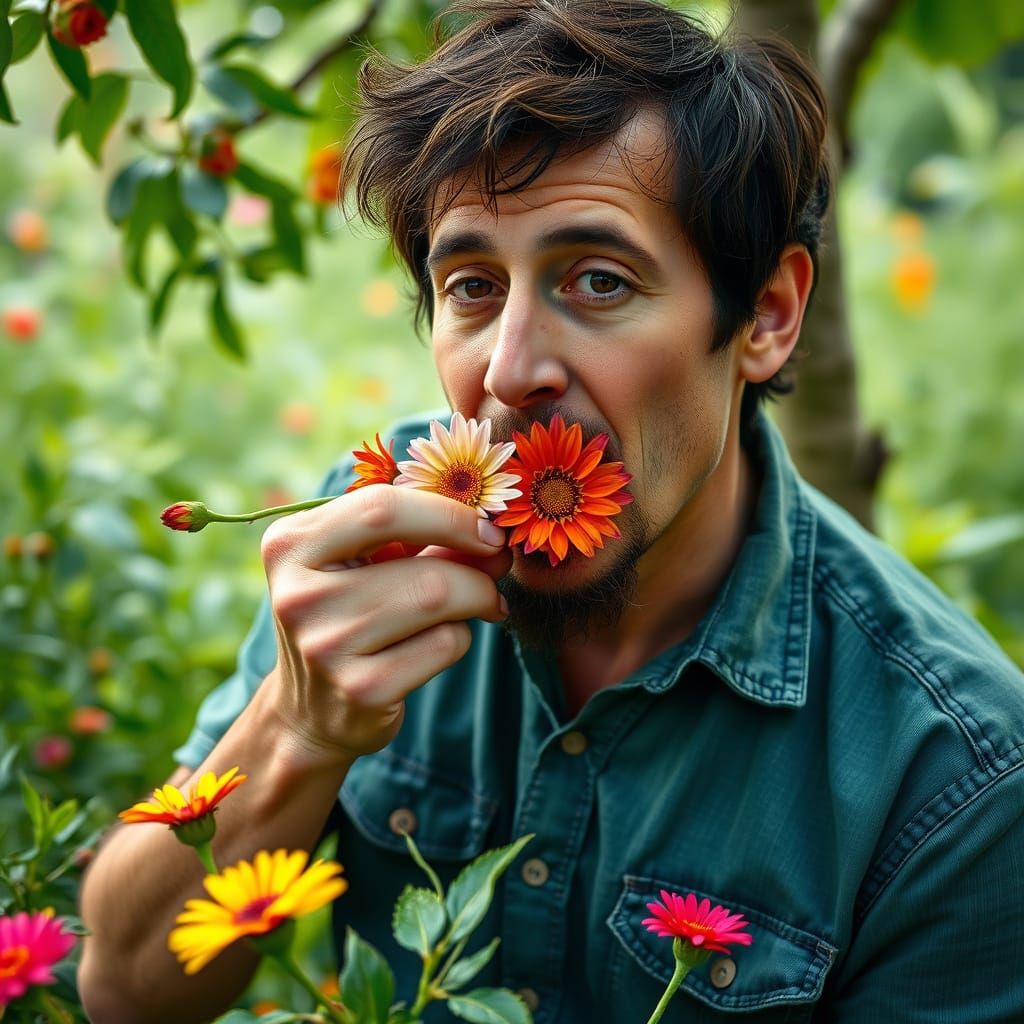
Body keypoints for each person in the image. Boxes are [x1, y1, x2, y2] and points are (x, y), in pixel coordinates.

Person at [78, 1, 1024, 1021]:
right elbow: (124, 989)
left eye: (599, 279)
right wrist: (297, 727)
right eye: (473, 286)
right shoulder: (374, 543)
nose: (511, 369)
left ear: (765, 316)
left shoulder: (955, 776)